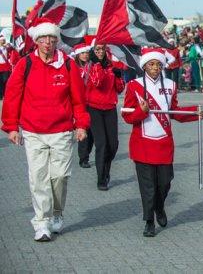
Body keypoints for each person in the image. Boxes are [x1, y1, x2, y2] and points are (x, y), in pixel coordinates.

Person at [1, 18, 90, 242]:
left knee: (59, 177)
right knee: (38, 177)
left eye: (52, 39)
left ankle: (57, 213)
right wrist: (11, 127)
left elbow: (79, 99)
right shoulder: (25, 64)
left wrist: (81, 124)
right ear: (36, 41)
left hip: (61, 131)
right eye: (43, 39)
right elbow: (12, 96)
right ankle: (41, 222)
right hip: (33, 131)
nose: (48, 43)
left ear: (57, 41)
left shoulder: (68, 64)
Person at [121, 48, 203, 237]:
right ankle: (149, 220)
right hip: (143, 143)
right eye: (151, 64)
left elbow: (174, 112)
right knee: (148, 185)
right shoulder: (134, 85)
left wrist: (194, 112)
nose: (156, 68)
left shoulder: (171, 85)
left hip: (164, 142)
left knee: (165, 182)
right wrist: (141, 111)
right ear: (144, 66)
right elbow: (127, 116)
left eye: (158, 64)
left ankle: (159, 206)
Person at [86, 43, 125, 190]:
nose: (100, 52)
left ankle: (106, 170)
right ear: (93, 51)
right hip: (94, 109)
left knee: (113, 145)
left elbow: (120, 89)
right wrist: (98, 65)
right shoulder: (91, 66)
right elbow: (97, 82)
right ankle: (101, 178)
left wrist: (119, 76)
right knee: (101, 144)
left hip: (109, 108)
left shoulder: (110, 67)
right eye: (97, 50)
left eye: (102, 49)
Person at [71, 38, 93, 168]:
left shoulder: (93, 66)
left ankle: (87, 152)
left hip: (92, 102)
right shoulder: (73, 67)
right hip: (80, 103)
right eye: (82, 53)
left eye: (86, 53)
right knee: (82, 129)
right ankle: (83, 158)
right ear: (78, 55)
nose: (85, 55)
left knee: (92, 134)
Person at [0, 35, 12, 99]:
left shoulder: (6, 47)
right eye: (2, 40)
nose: (3, 41)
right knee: (0, 81)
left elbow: (11, 48)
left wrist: (8, 45)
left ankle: (5, 93)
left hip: (5, 66)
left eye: (4, 40)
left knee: (5, 81)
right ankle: (0, 95)